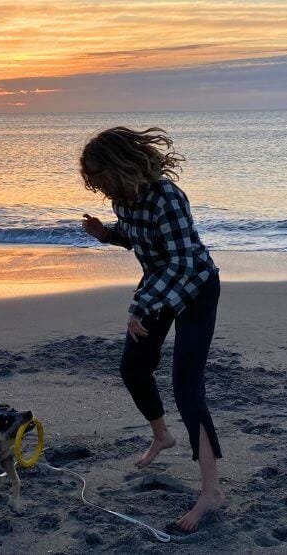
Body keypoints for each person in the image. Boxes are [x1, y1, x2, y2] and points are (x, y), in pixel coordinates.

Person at [79, 126, 224, 532]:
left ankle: (211, 491)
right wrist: (106, 234)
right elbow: (138, 239)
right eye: (94, 181)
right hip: (159, 284)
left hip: (195, 288)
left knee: (186, 388)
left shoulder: (168, 198)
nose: (99, 187)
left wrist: (141, 305)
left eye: (99, 176)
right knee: (133, 368)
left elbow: (181, 262)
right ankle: (162, 435)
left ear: (120, 164)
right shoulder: (123, 200)